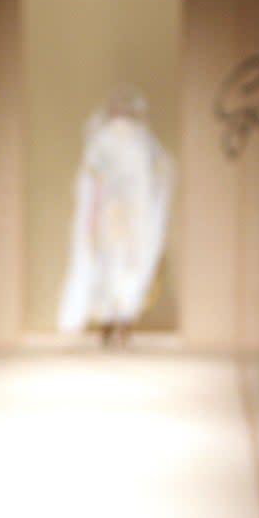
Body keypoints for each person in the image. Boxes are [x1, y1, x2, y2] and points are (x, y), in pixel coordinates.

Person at [56, 83, 175, 346]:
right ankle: (116, 319)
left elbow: (155, 175)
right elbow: (95, 178)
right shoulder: (122, 138)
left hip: (127, 215)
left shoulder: (134, 139)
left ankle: (119, 319)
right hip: (121, 215)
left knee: (121, 263)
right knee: (117, 263)